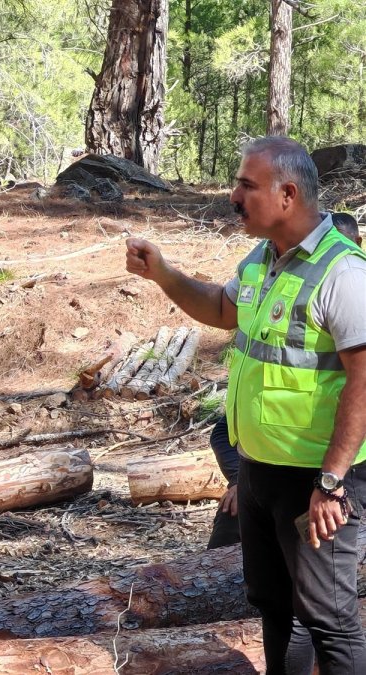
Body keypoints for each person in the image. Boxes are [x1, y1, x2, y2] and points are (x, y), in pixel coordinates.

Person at [126, 137, 366, 674]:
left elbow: (363, 382)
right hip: (260, 473)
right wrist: (163, 273)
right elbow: (220, 308)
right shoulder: (263, 259)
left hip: (317, 481)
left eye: (245, 185)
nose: (234, 195)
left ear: (287, 194)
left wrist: (331, 482)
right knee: (275, 607)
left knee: (329, 619)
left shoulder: (345, 274)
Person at [206, 210, 361, 551]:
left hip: (337, 477)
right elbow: (222, 431)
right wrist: (238, 482)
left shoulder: (350, 279)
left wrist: (330, 482)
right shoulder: (269, 267)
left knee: (322, 592)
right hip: (274, 473)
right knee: (235, 529)